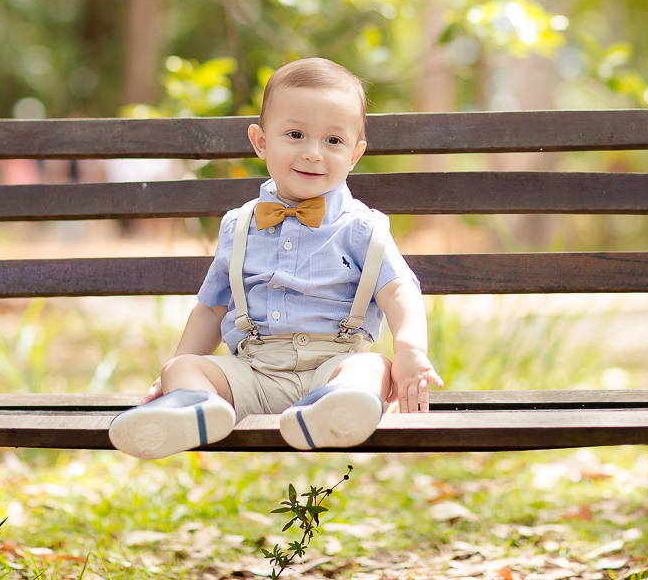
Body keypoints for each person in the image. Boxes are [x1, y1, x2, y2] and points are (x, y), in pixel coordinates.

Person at [110, 58, 443, 458]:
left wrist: (410, 351)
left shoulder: (362, 227)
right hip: (253, 371)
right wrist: (175, 375)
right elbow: (211, 309)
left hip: (334, 363)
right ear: (261, 142)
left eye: (333, 141)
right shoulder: (238, 226)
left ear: (355, 155)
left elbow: (399, 290)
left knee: (372, 368)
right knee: (181, 367)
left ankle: (335, 408)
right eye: (296, 135)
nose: (313, 153)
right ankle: (195, 407)